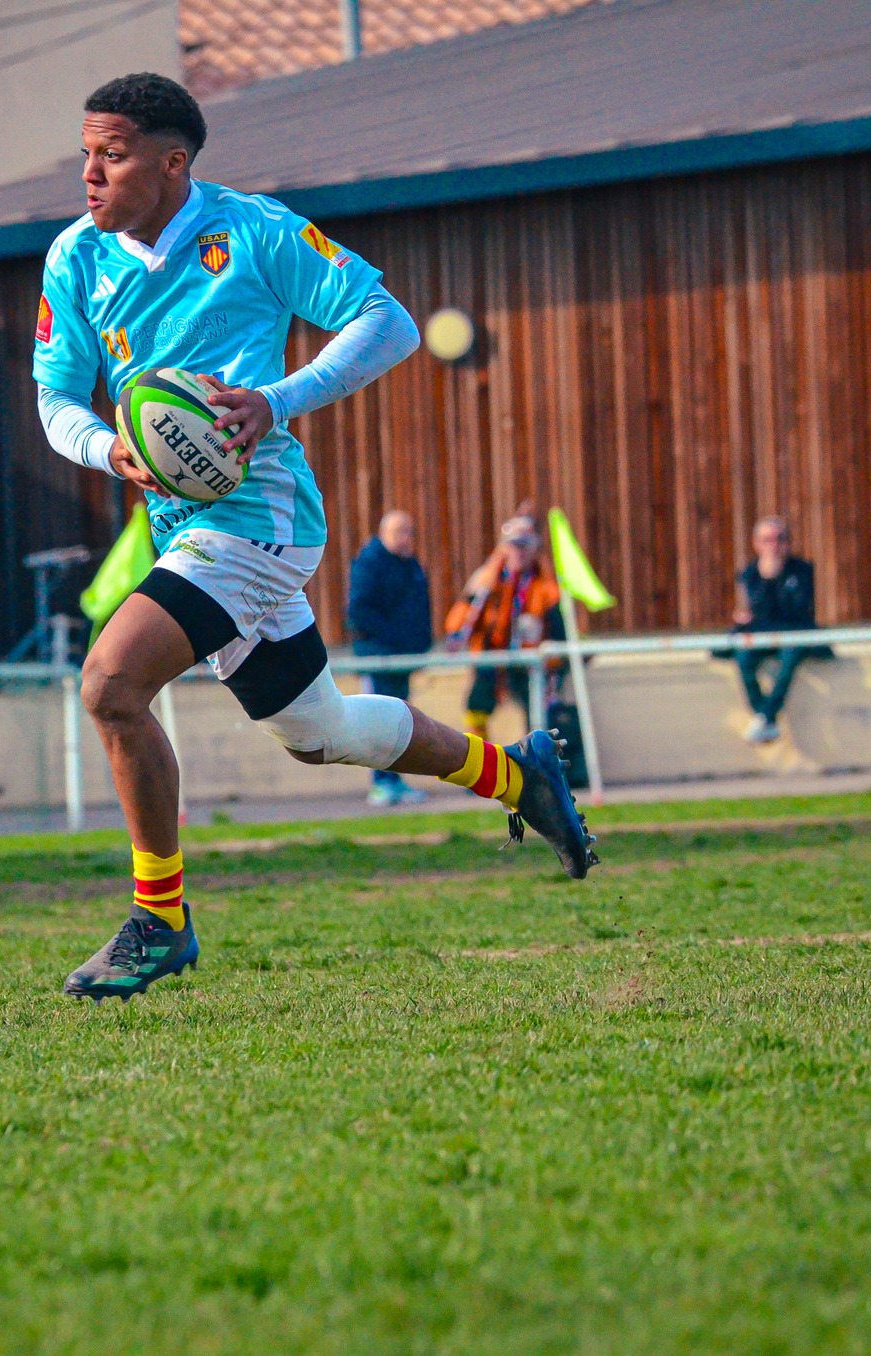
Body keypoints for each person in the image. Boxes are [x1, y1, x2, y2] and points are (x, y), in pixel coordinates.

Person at [34, 73, 595, 999]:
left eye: (114, 154)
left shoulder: (254, 230)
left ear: (174, 163)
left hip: (257, 519)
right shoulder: (73, 258)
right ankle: (518, 775)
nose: (90, 173)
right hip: (180, 525)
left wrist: (277, 400)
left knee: (111, 686)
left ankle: (159, 921)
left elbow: (389, 323)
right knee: (320, 731)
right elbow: (56, 399)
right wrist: (109, 450)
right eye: (86, 153)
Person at [444, 512, 562, 740]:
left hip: (529, 662)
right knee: (476, 705)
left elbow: (559, 629)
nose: (518, 552)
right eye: (513, 546)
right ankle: (482, 760)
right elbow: (459, 622)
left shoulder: (545, 584)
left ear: (534, 549)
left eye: (524, 546)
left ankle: (535, 762)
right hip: (493, 656)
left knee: (539, 713)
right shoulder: (488, 580)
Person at [347, 510, 433, 806]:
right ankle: (381, 782)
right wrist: (397, 640)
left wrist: (419, 644)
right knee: (377, 721)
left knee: (400, 722)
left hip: (401, 660)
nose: (407, 538)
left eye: (410, 531)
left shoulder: (409, 566)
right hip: (379, 660)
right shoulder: (371, 564)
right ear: (385, 533)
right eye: (401, 531)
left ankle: (394, 779)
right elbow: (359, 613)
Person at [731, 517, 819, 743]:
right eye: (767, 540)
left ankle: (765, 717)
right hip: (762, 638)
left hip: (791, 636)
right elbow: (752, 610)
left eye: (780, 539)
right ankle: (766, 717)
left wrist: (774, 578)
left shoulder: (802, 570)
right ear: (756, 544)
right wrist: (766, 580)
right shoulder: (750, 574)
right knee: (743, 656)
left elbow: (797, 610)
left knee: (790, 658)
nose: (774, 546)